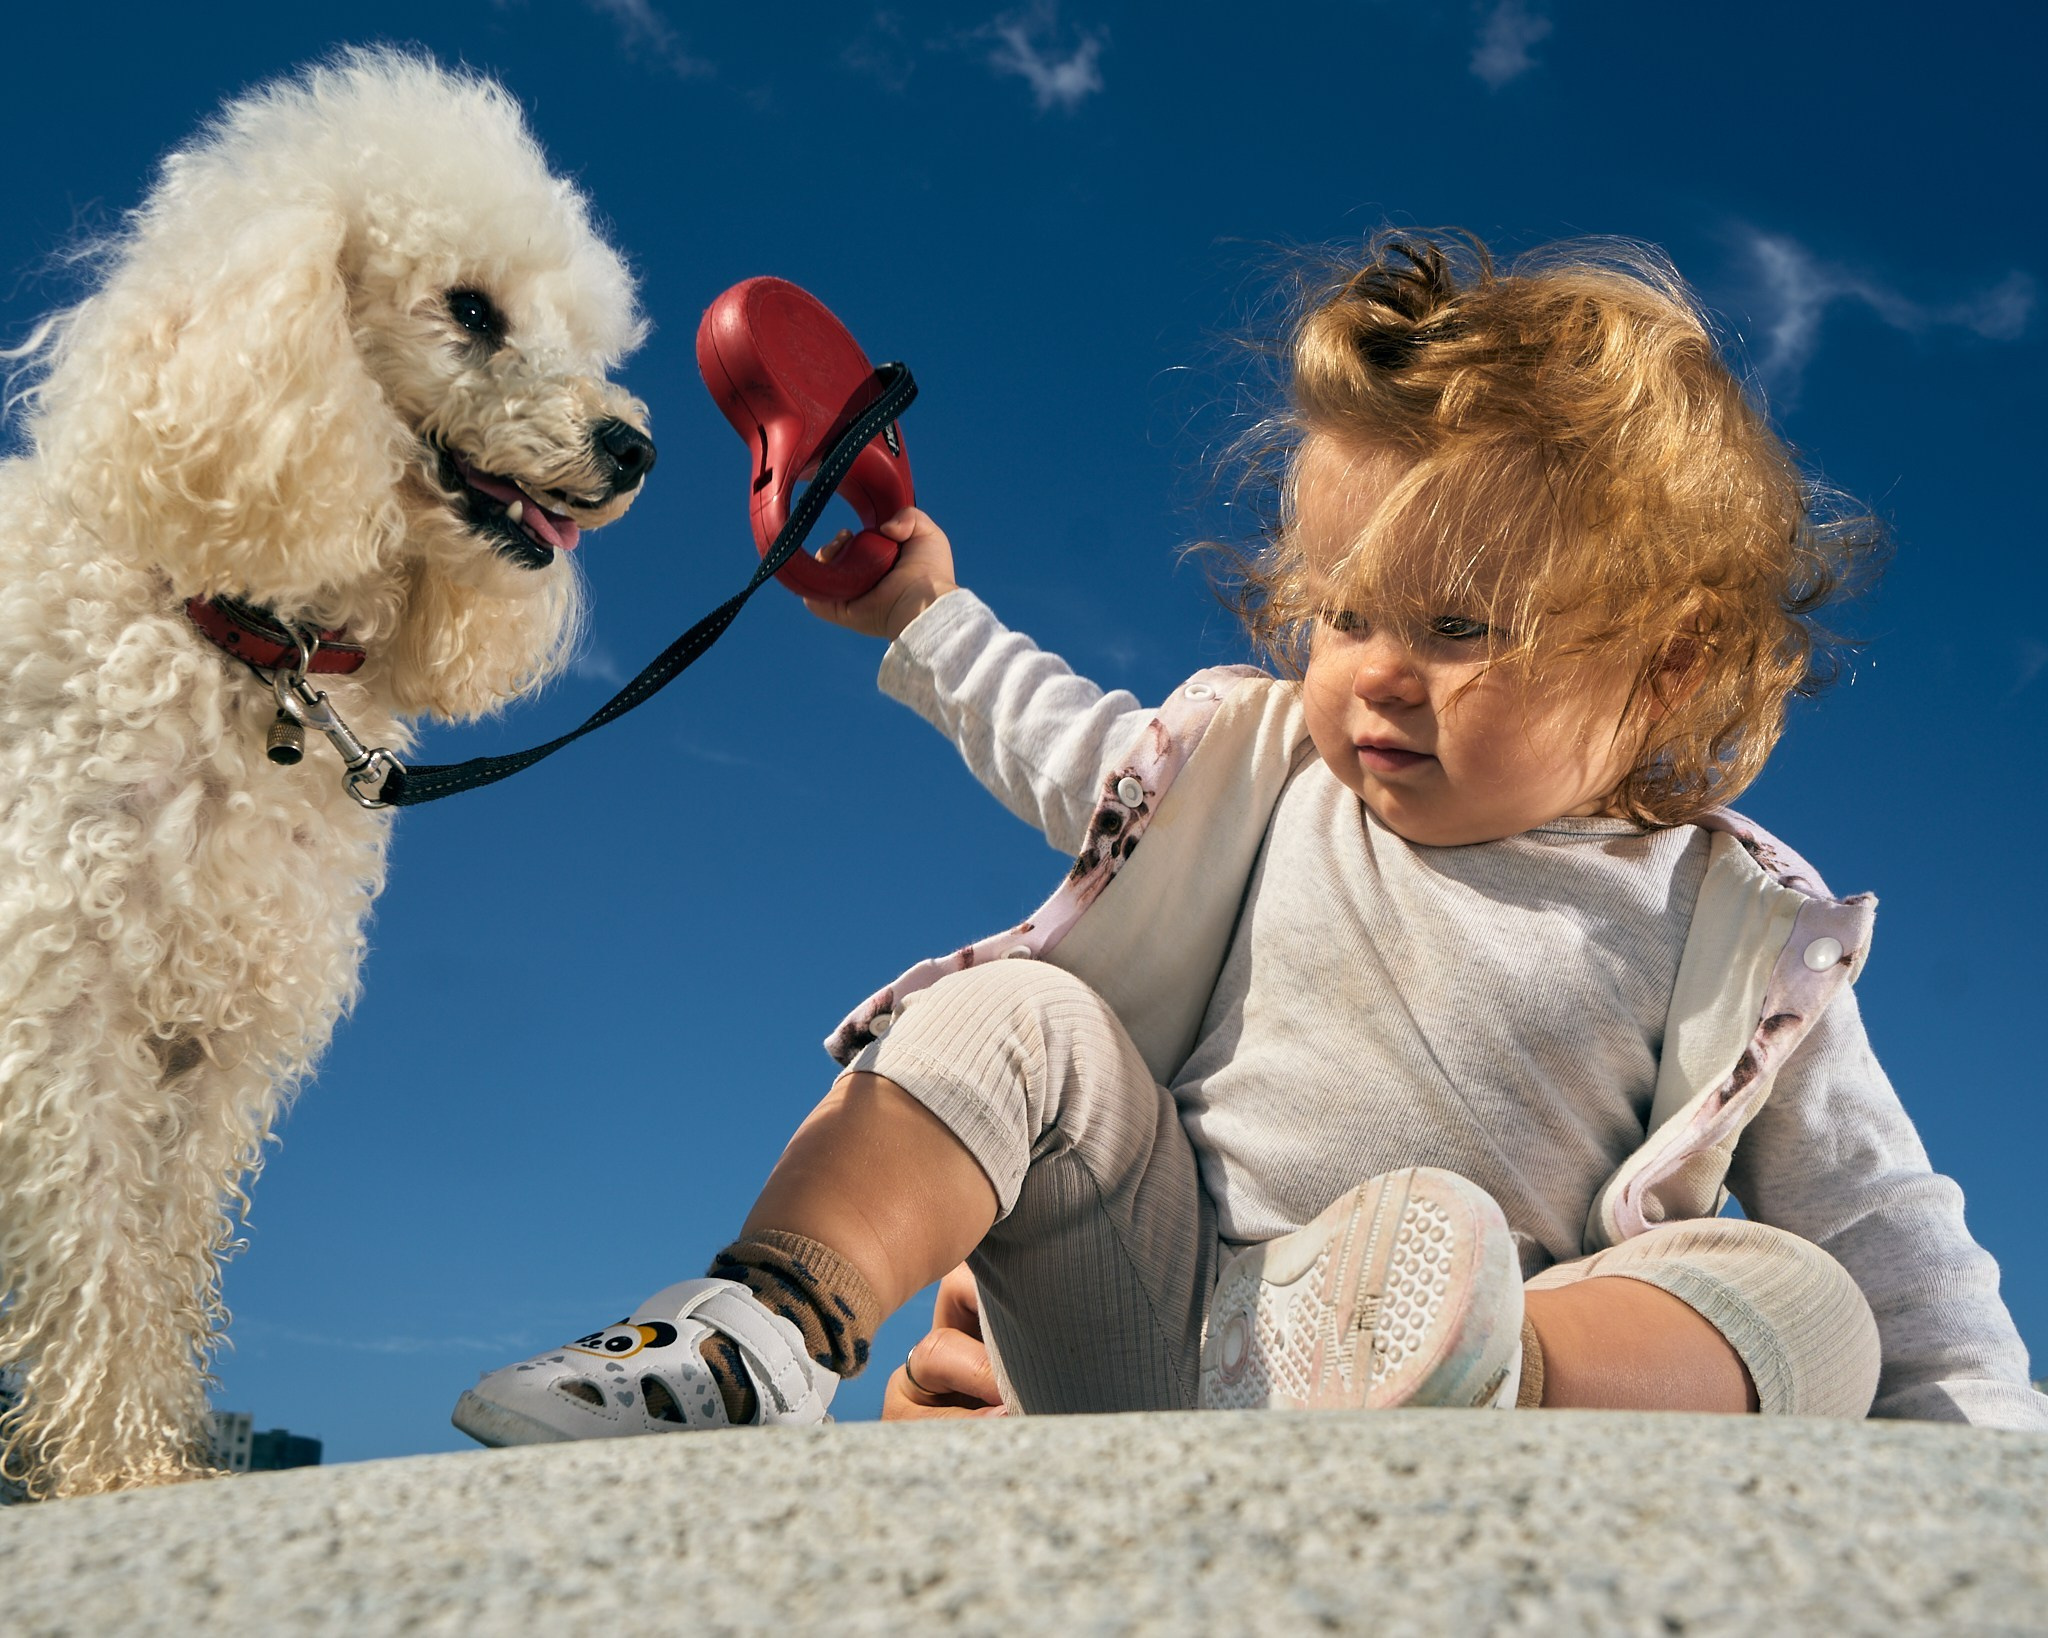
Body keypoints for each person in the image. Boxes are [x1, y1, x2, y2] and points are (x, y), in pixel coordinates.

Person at [454, 236, 2046, 1442]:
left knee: (1811, 1303)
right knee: (1017, 1017)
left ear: (1672, 663)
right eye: (1345, 613)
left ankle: (1491, 1376)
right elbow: (1056, 727)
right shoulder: (1266, 765)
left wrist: (1995, 1472)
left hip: (1498, 1374)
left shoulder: (1732, 926)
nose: (1377, 673)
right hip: (1158, 1319)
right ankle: (755, 1331)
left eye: (1462, 625)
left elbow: (1891, 1227)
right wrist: (912, 609)